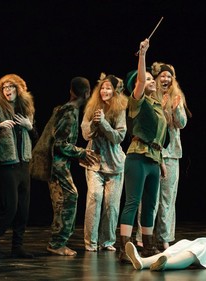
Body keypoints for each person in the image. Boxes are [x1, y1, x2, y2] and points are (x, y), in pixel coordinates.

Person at [118, 38, 168, 263]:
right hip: (138, 156)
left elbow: (159, 138)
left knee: (150, 203)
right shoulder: (137, 101)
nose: (151, 80)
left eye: (151, 78)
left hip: (154, 159)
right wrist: (143, 55)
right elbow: (139, 79)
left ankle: (148, 246)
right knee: (133, 201)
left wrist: (162, 162)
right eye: (147, 78)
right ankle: (124, 248)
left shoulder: (156, 104)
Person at [136, 62, 192, 250]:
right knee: (149, 198)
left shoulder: (177, 96)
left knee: (168, 200)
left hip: (172, 155)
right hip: (152, 152)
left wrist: (176, 109)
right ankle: (142, 237)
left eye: (169, 76)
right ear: (157, 78)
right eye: (163, 76)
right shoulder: (151, 96)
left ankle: (165, 238)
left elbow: (182, 124)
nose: (166, 79)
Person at [0, 74, 38, 259]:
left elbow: (36, 138)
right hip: (7, 165)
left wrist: (30, 127)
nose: (7, 90)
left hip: (24, 164)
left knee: (24, 208)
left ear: (19, 89)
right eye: (4, 87)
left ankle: (17, 247)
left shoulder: (27, 109)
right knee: (11, 208)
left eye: (11, 87)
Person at [46, 77, 97, 256]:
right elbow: (60, 143)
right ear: (86, 93)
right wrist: (81, 152)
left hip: (61, 164)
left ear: (71, 91)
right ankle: (57, 243)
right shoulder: (69, 112)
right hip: (57, 165)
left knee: (65, 200)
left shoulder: (72, 110)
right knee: (68, 198)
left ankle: (57, 242)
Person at [80, 73, 128, 252]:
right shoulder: (92, 107)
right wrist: (94, 122)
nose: (105, 91)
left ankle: (107, 241)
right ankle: (90, 242)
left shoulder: (120, 109)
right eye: (103, 87)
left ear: (115, 91)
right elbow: (85, 134)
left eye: (109, 88)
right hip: (94, 161)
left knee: (112, 204)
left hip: (114, 163)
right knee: (94, 197)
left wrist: (105, 124)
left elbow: (119, 137)